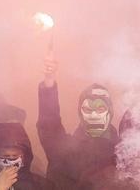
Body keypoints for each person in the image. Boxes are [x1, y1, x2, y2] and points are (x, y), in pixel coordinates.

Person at [37, 55, 120, 189]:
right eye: (87, 109)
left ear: (109, 112)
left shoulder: (121, 152)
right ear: (80, 112)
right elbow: (49, 126)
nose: (93, 114)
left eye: (100, 108)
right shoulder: (65, 150)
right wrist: (49, 85)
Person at [0, 122, 56, 190]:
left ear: (24, 156)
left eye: (15, 156)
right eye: (5, 156)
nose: (10, 161)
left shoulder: (43, 186)